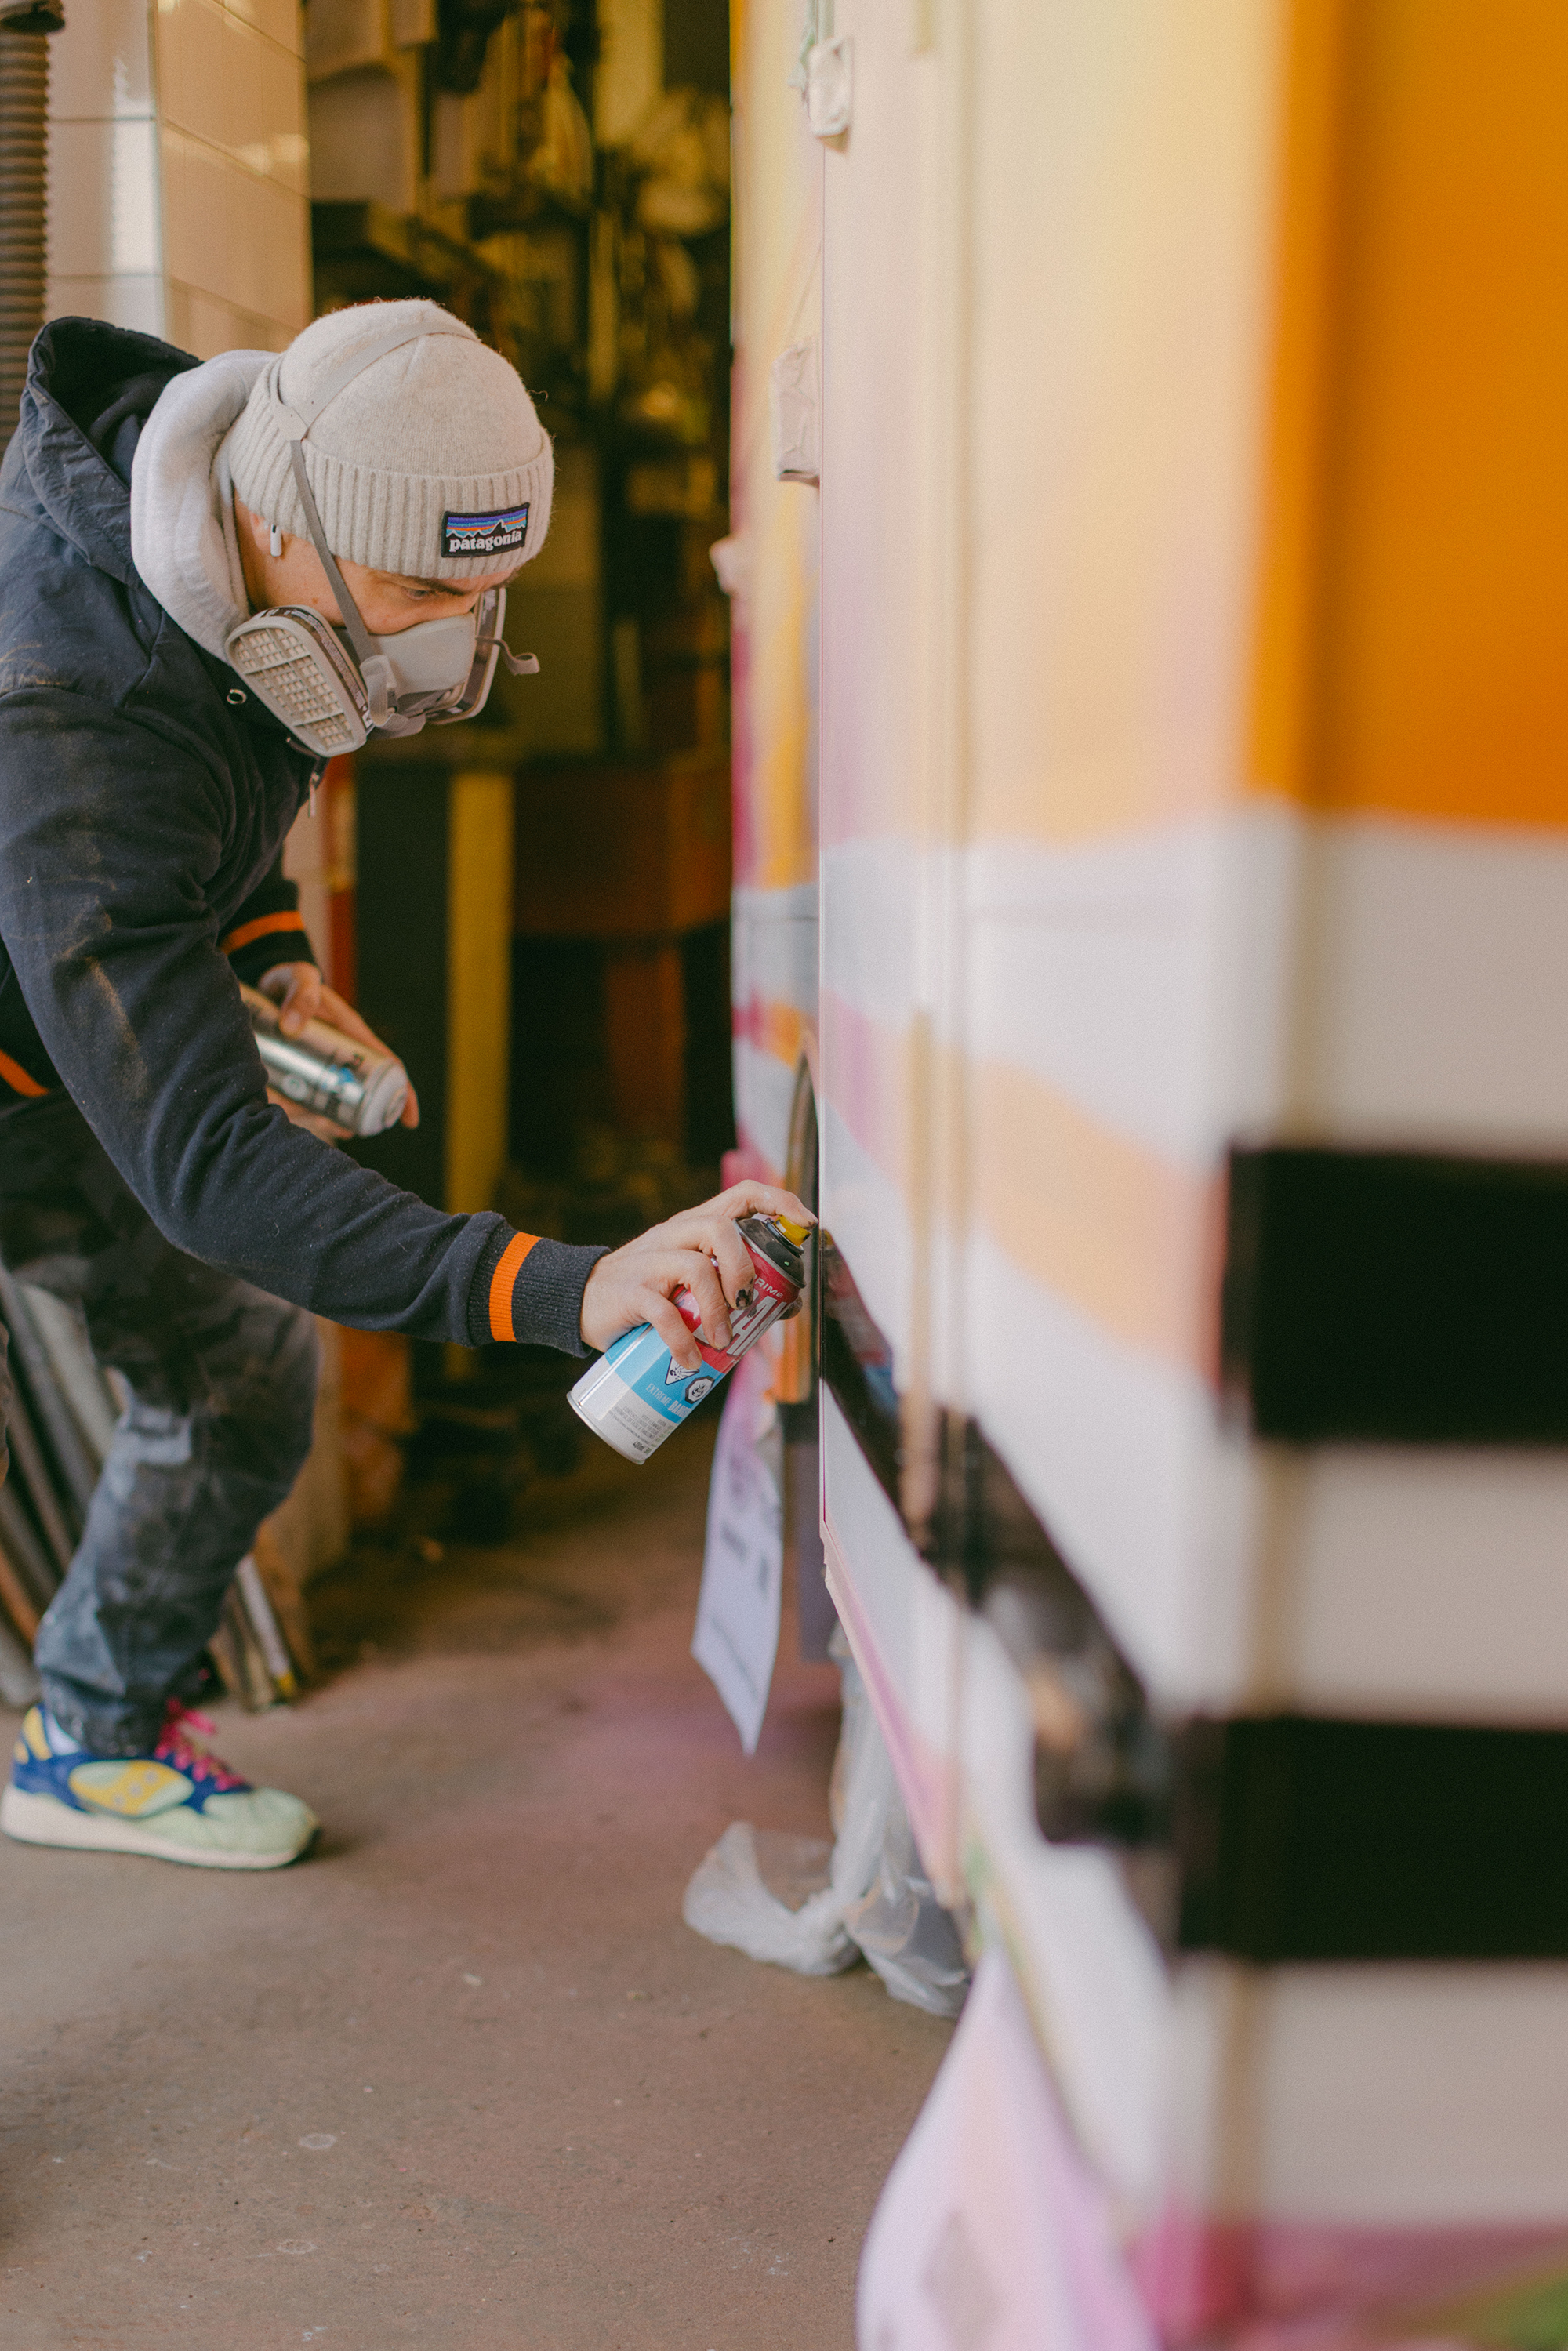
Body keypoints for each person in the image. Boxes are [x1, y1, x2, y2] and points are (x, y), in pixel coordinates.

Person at [0, 299, 810, 1869]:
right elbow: (218, 1168)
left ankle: (85, 1737)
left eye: (482, 588)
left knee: (238, 1374)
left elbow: (217, 794)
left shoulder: (221, 525)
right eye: (422, 588)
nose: (445, 632)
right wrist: (566, 1288)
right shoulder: (72, 705)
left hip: (51, 1028)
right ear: (281, 520)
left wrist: (275, 945)